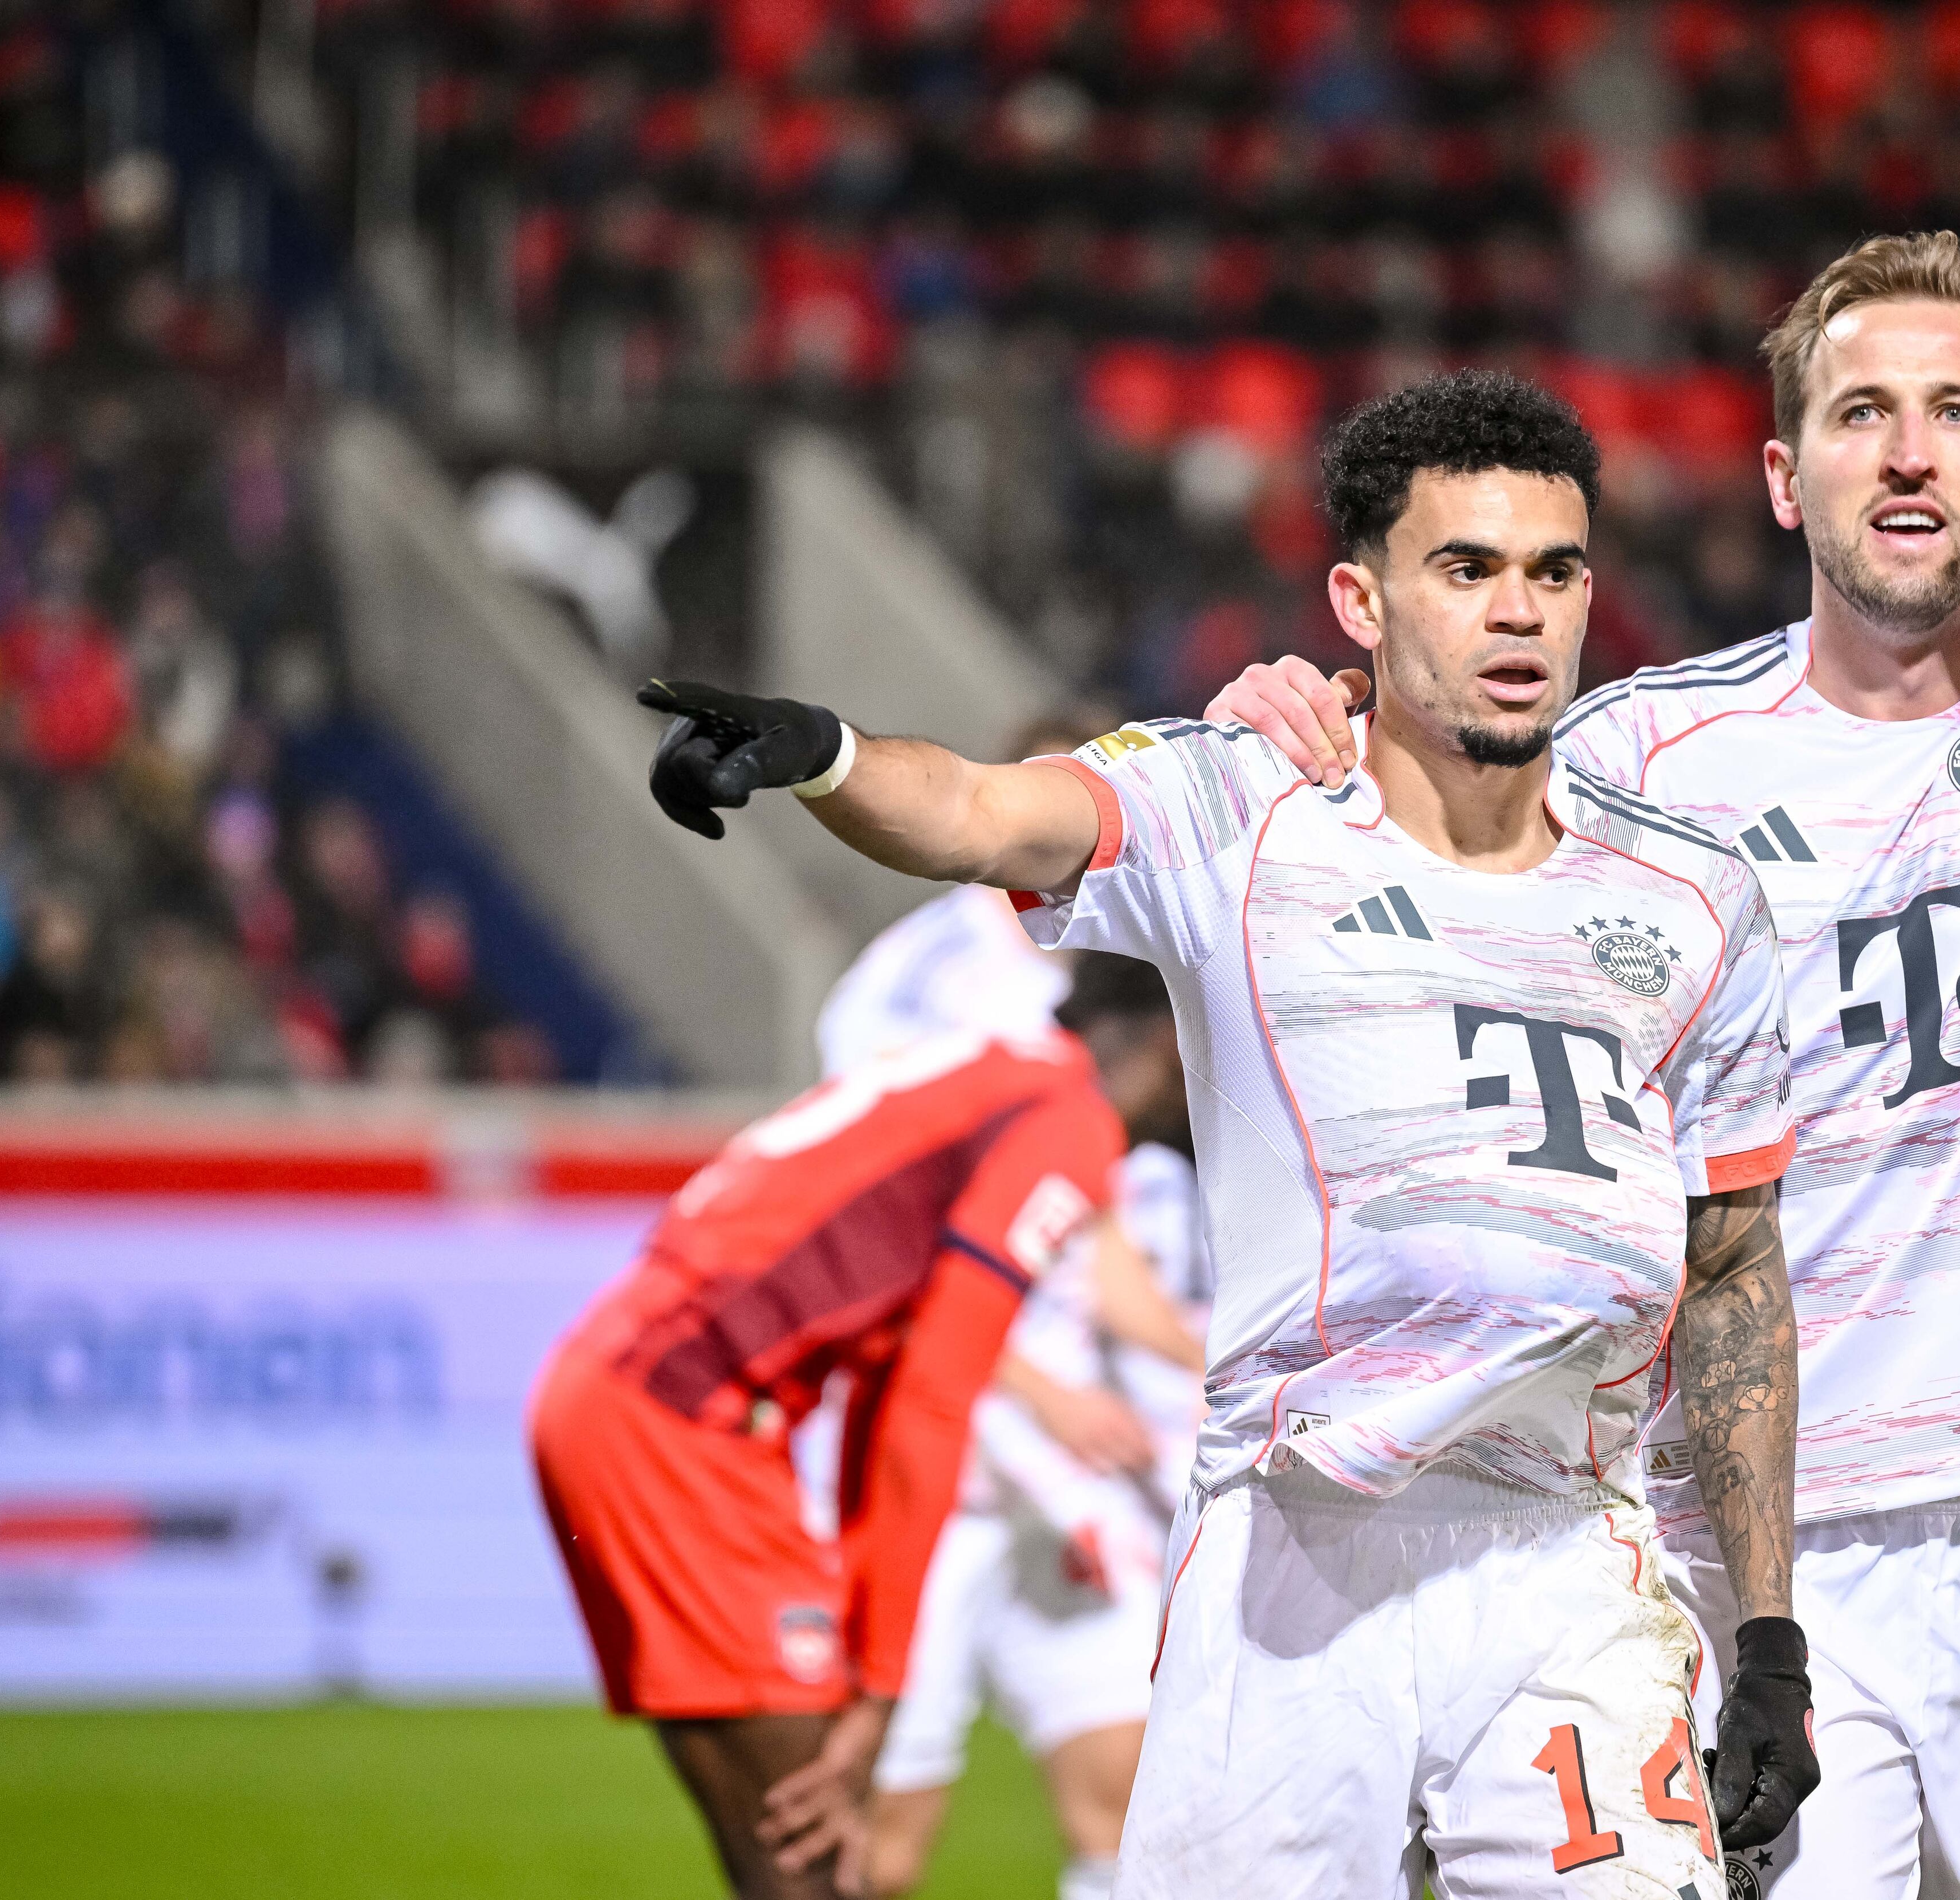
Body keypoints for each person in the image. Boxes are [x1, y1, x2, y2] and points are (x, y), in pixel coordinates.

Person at [1203, 42, 1960, 1900]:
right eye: (1863, 411)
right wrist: (1289, 716)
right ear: (1784, 478)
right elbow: (1377, 807)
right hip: (1758, 1549)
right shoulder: (1636, 756)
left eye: (1956, 414)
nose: (1909, 448)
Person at [635, 369, 1818, 1898]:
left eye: (1554, 570)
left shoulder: (1696, 894)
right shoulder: (1239, 807)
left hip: (1567, 1553)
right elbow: (990, 811)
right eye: (1466, 568)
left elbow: (1732, 1270)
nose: (1519, 610)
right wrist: (827, 755)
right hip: (1295, 1544)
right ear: (1362, 599)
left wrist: (1770, 1637)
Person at [528, 962, 1188, 1900]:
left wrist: (867, 1644)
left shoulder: (991, 1072)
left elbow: (890, 1387)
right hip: (680, 1427)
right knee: (816, 1861)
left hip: (635, 1395)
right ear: (1173, 1039)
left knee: (798, 1856)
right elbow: (932, 1398)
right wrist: (883, 1687)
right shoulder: (1067, 1118)